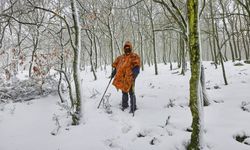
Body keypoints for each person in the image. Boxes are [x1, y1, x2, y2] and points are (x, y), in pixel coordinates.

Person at [111, 41, 140, 113]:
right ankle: (124, 105)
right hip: (123, 78)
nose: (127, 49)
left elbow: (137, 66)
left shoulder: (134, 56)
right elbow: (117, 66)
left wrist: (135, 73)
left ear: (130, 48)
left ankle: (133, 107)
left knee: (131, 92)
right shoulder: (121, 58)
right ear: (124, 49)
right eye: (125, 48)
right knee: (124, 92)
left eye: (128, 48)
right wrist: (114, 72)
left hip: (130, 77)